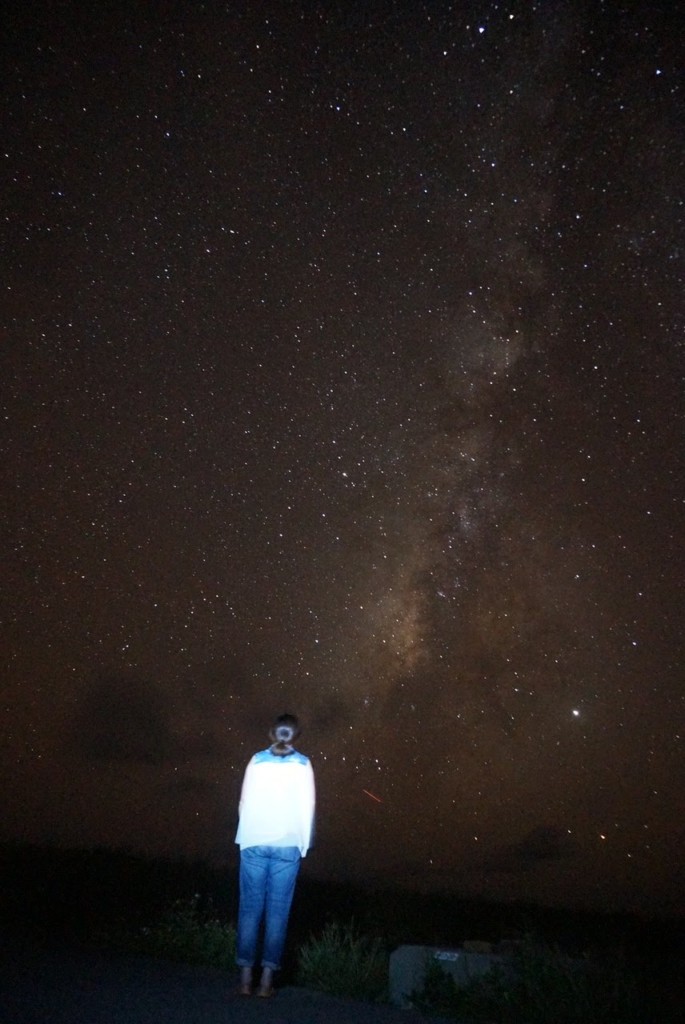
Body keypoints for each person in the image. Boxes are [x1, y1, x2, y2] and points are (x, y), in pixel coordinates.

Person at [234, 713, 315, 997]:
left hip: (254, 841)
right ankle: (266, 984)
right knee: (278, 914)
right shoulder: (304, 764)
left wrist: (245, 836)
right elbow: (308, 808)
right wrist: (303, 844)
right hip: (287, 844)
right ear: (295, 735)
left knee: (249, 911)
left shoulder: (256, 761)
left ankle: (245, 982)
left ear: (272, 733)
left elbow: (244, 802)